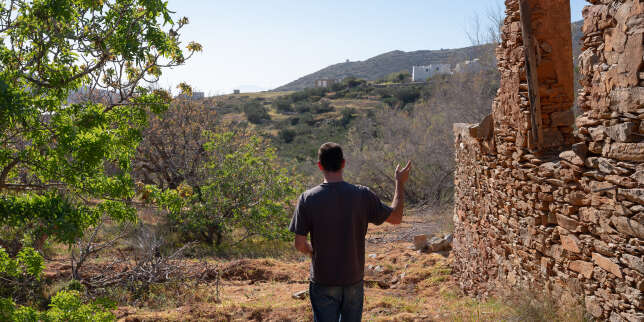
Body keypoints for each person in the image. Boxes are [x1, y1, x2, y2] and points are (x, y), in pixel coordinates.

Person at [289, 142, 411, 322]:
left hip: (323, 280)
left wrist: (311, 252)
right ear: (343, 163)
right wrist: (399, 183)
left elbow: (299, 244)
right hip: (353, 279)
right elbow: (396, 217)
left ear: (320, 166)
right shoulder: (362, 195)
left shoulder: (307, 198)